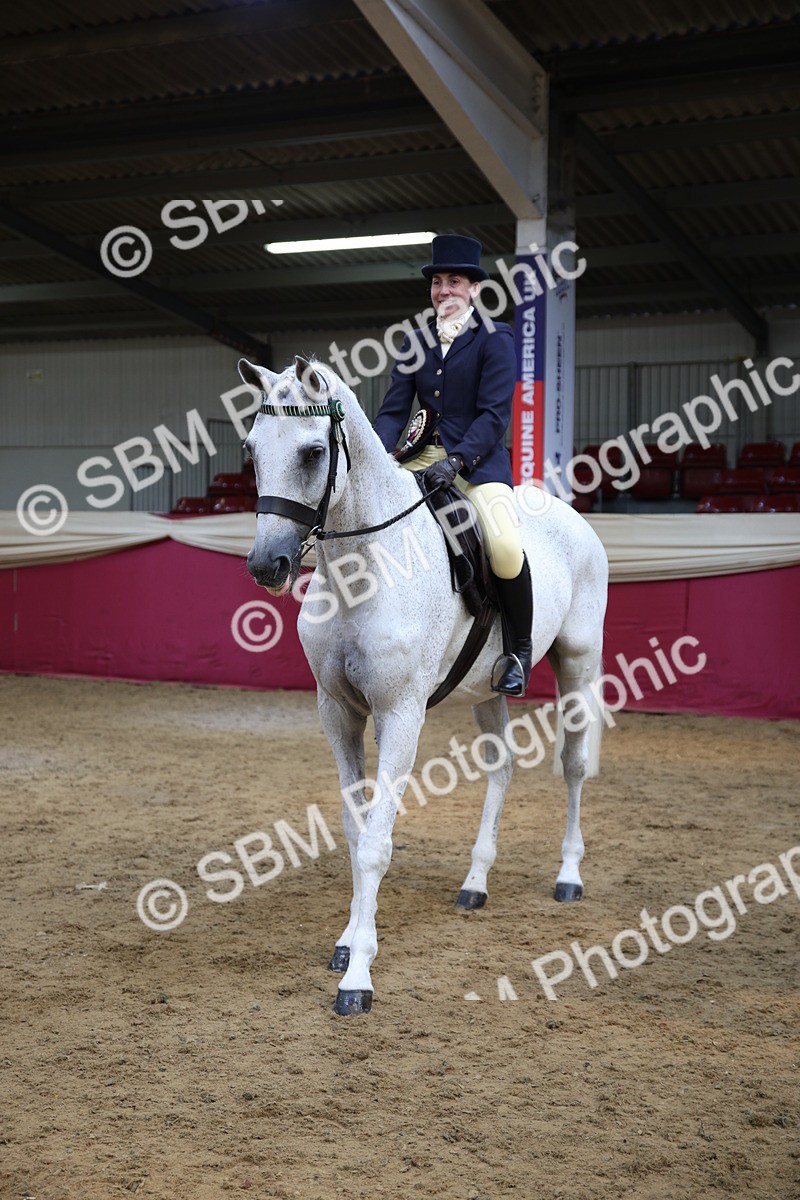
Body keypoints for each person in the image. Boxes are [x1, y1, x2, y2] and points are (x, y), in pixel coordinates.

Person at [373, 233, 532, 696]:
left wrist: (459, 459)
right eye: (437, 282)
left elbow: (494, 415)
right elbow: (392, 410)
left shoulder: (496, 338)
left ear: (474, 288)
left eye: (454, 281)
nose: (444, 290)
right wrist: (382, 458)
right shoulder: (414, 340)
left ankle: (517, 653)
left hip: (478, 464)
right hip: (420, 457)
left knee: (503, 546)